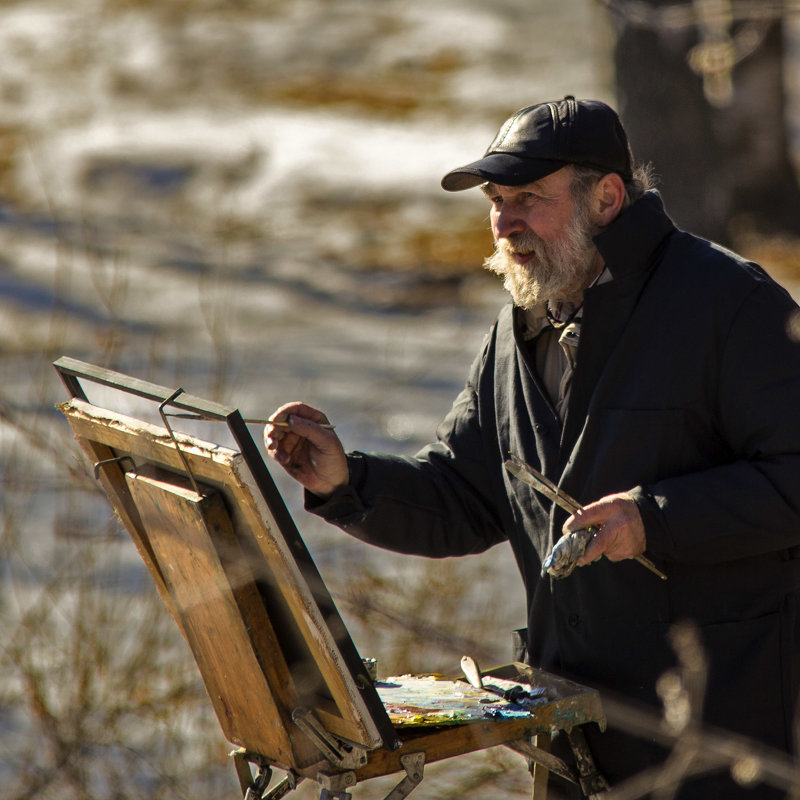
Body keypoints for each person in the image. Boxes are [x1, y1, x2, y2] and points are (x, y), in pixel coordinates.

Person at [265, 96, 800, 798]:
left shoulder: (729, 303)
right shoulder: (519, 329)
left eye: (528, 199)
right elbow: (465, 497)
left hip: (717, 751)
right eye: (496, 200)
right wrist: (347, 481)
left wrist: (654, 518)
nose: (504, 222)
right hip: (575, 749)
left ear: (607, 198)